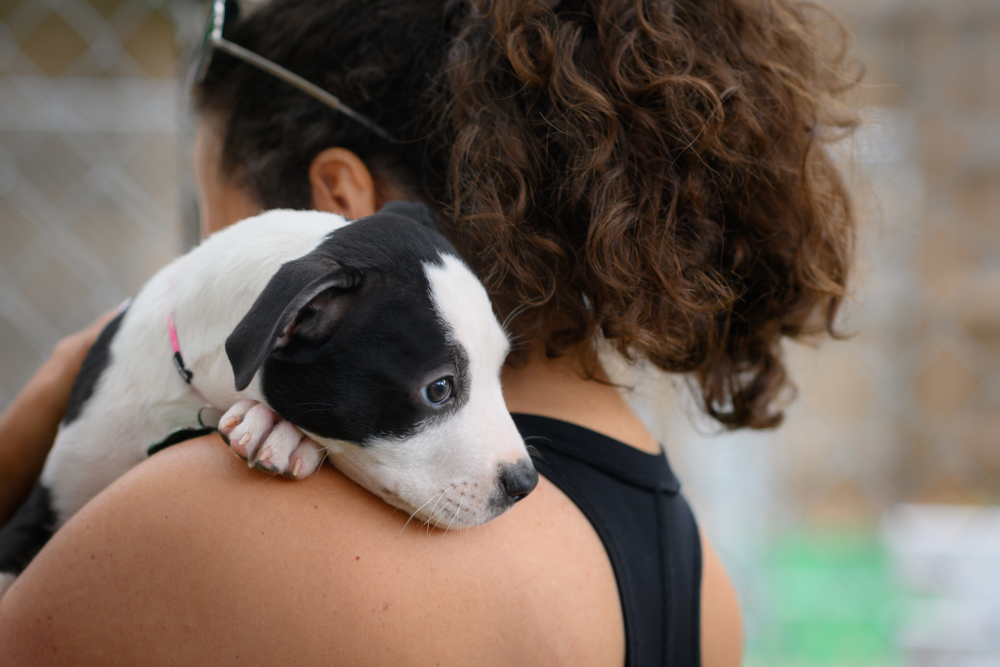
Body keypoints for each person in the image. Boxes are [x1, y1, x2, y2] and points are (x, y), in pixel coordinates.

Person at [0, 0, 857, 664]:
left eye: (210, 211)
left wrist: (44, 406)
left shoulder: (219, 511)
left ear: (337, 202)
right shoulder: (702, 583)